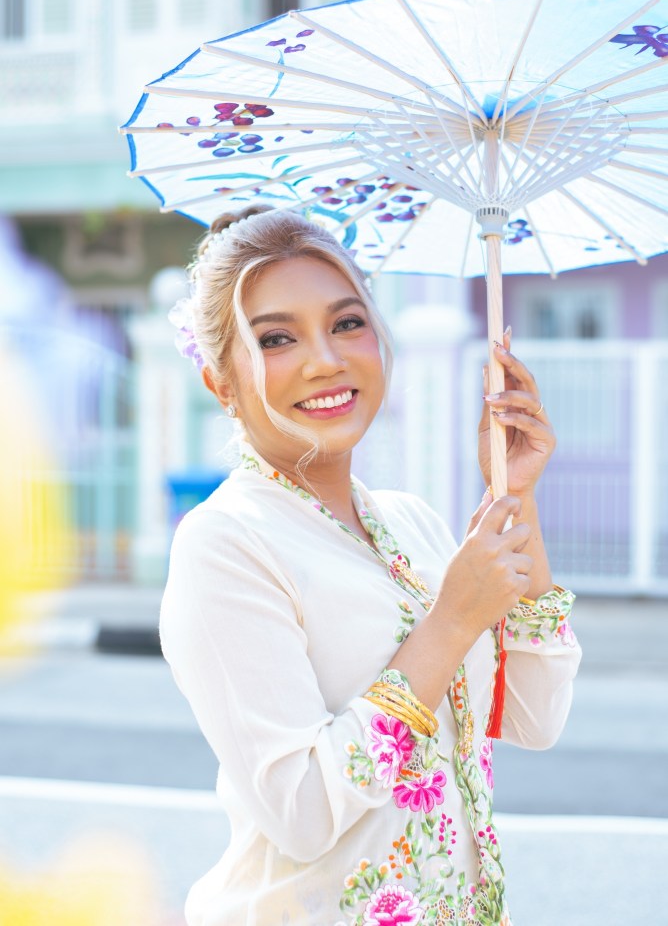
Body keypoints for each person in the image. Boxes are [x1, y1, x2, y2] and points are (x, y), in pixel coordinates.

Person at [160, 205, 581, 926]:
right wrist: (452, 620)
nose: (326, 359)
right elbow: (304, 811)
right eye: (277, 338)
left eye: (347, 323)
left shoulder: (410, 522)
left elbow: (532, 716)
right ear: (221, 384)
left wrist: (517, 493)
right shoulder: (227, 543)